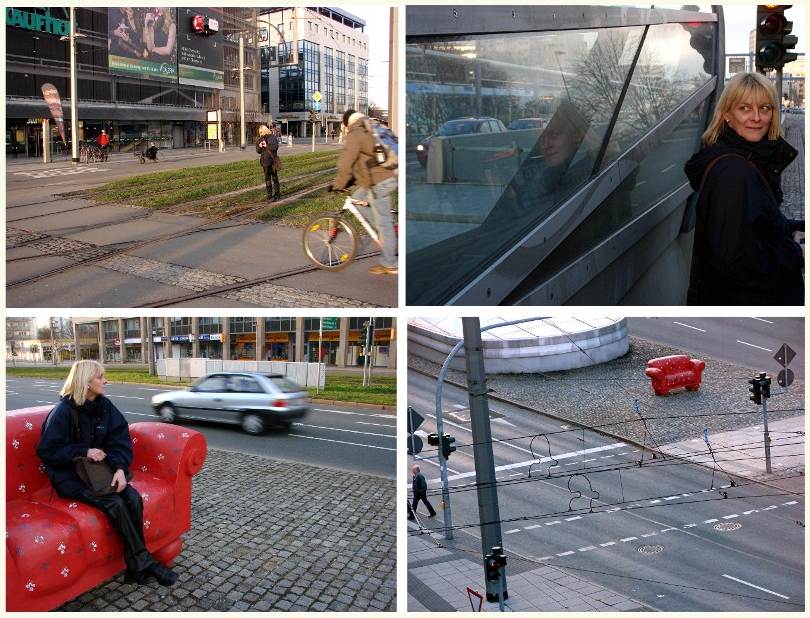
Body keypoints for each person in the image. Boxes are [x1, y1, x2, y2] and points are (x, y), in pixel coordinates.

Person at [36, 360, 178, 587]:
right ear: (86, 381)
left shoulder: (105, 407)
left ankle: (137, 567)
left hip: (100, 474)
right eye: (100, 376)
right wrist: (84, 450)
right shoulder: (63, 412)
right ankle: (144, 563)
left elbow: (119, 441)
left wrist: (120, 469)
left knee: (132, 497)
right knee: (115, 503)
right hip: (69, 477)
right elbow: (47, 451)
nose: (106, 380)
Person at [684, 72, 804, 305]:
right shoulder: (734, 172)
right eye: (745, 108)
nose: (756, 117)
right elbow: (737, 259)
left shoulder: (748, 161)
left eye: (765, 108)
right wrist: (796, 254)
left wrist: (795, 229)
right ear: (727, 115)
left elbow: (758, 227)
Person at [331, 109, 398, 275]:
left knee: (384, 223)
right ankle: (381, 231)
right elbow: (367, 158)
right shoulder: (373, 125)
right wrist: (353, 178)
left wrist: (339, 184)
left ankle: (390, 263)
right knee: (356, 200)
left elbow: (346, 162)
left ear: (347, 123)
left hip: (380, 181)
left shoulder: (356, 132)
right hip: (382, 177)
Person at [256, 124, 280, 201]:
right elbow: (258, 151)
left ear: (265, 130)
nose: (260, 134)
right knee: (267, 179)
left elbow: (275, 147)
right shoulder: (260, 139)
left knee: (274, 178)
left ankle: (277, 194)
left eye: (261, 132)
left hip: (272, 161)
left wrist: (266, 145)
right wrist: (260, 146)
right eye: (260, 132)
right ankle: (269, 194)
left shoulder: (272, 137)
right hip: (265, 162)